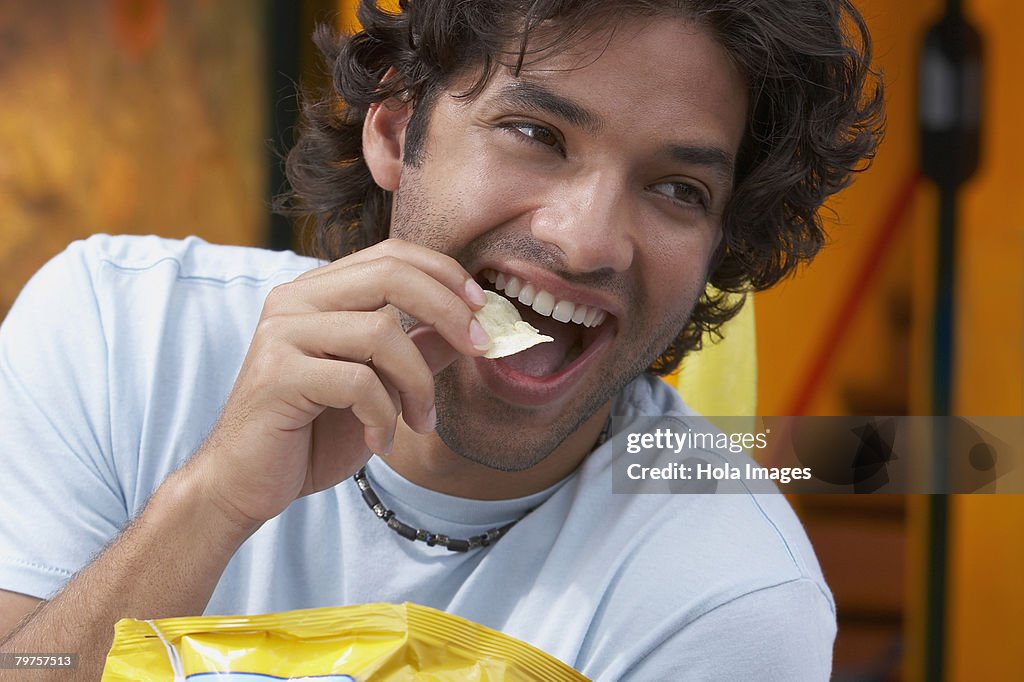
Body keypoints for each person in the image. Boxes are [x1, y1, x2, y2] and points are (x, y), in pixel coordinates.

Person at [0, 0, 882, 679]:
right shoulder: (119, 333)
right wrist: (211, 502)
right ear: (393, 130)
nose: (586, 240)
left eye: (678, 189)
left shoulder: (726, 596)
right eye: (537, 134)